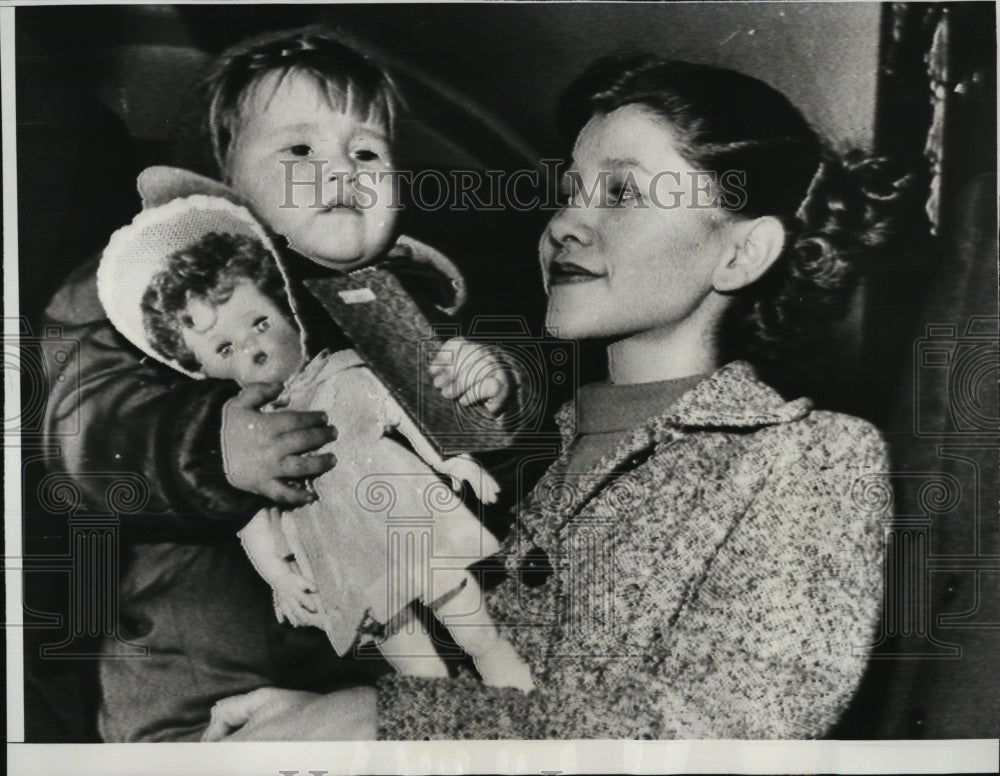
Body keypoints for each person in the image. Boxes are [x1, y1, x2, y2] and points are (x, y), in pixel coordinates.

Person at [204, 54, 906, 740]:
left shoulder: (810, 460)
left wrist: (379, 720)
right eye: (571, 192)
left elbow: (724, 733)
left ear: (741, 253)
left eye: (622, 194)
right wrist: (304, 717)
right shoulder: (522, 441)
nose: (566, 223)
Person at [41, 27, 515, 742]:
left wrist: (486, 391)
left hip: (364, 675)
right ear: (222, 176)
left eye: (367, 151)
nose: (342, 169)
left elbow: (470, 460)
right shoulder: (159, 294)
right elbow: (81, 424)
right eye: (299, 149)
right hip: (198, 685)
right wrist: (204, 447)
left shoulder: (389, 307)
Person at [97, 189, 534, 691]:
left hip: (406, 514)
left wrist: (455, 462)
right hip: (339, 548)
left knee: (465, 610)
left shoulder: (347, 374)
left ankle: (505, 674)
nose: (253, 347)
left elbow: (402, 414)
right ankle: (436, 704)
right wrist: (280, 577)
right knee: (402, 646)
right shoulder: (251, 438)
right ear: (203, 367)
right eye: (224, 347)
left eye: (259, 322)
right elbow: (251, 517)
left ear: (287, 312)